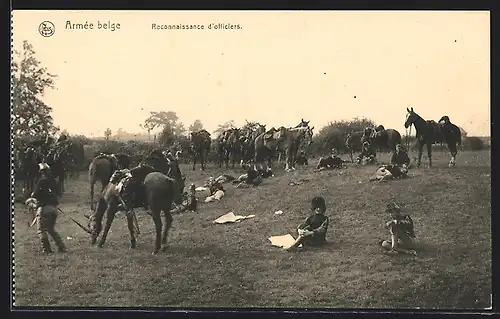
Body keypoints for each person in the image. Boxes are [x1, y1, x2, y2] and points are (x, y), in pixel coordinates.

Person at [28, 163, 66, 254]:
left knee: (41, 230)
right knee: (51, 229)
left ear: (41, 172)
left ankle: (47, 249)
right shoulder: (54, 181)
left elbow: (35, 195)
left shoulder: (41, 181)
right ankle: (62, 247)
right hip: (54, 209)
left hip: (44, 209)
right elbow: (58, 193)